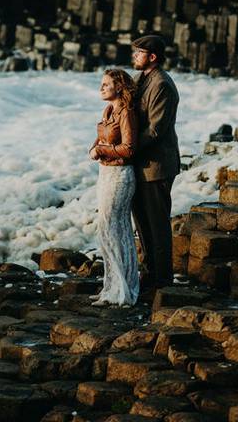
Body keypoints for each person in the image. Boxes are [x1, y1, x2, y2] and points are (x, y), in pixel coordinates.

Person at [129, 35, 180, 292]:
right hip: (142, 165)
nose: (134, 56)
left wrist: (126, 149)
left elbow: (156, 129)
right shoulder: (142, 80)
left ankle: (163, 282)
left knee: (157, 226)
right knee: (143, 226)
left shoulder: (162, 84)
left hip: (157, 167)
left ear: (152, 57)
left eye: (138, 53)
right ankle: (149, 277)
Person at [88, 68, 140, 306]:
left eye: (106, 84)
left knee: (113, 229)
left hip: (120, 175)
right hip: (106, 172)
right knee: (107, 230)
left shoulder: (126, 112)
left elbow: (129, 149)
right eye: (101, 84)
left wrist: (101, 151)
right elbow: (103, 136)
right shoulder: (109, 109)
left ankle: (123, 291)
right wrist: (95, 146)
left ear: (119, 87)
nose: (101, 88)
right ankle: (111, 288)